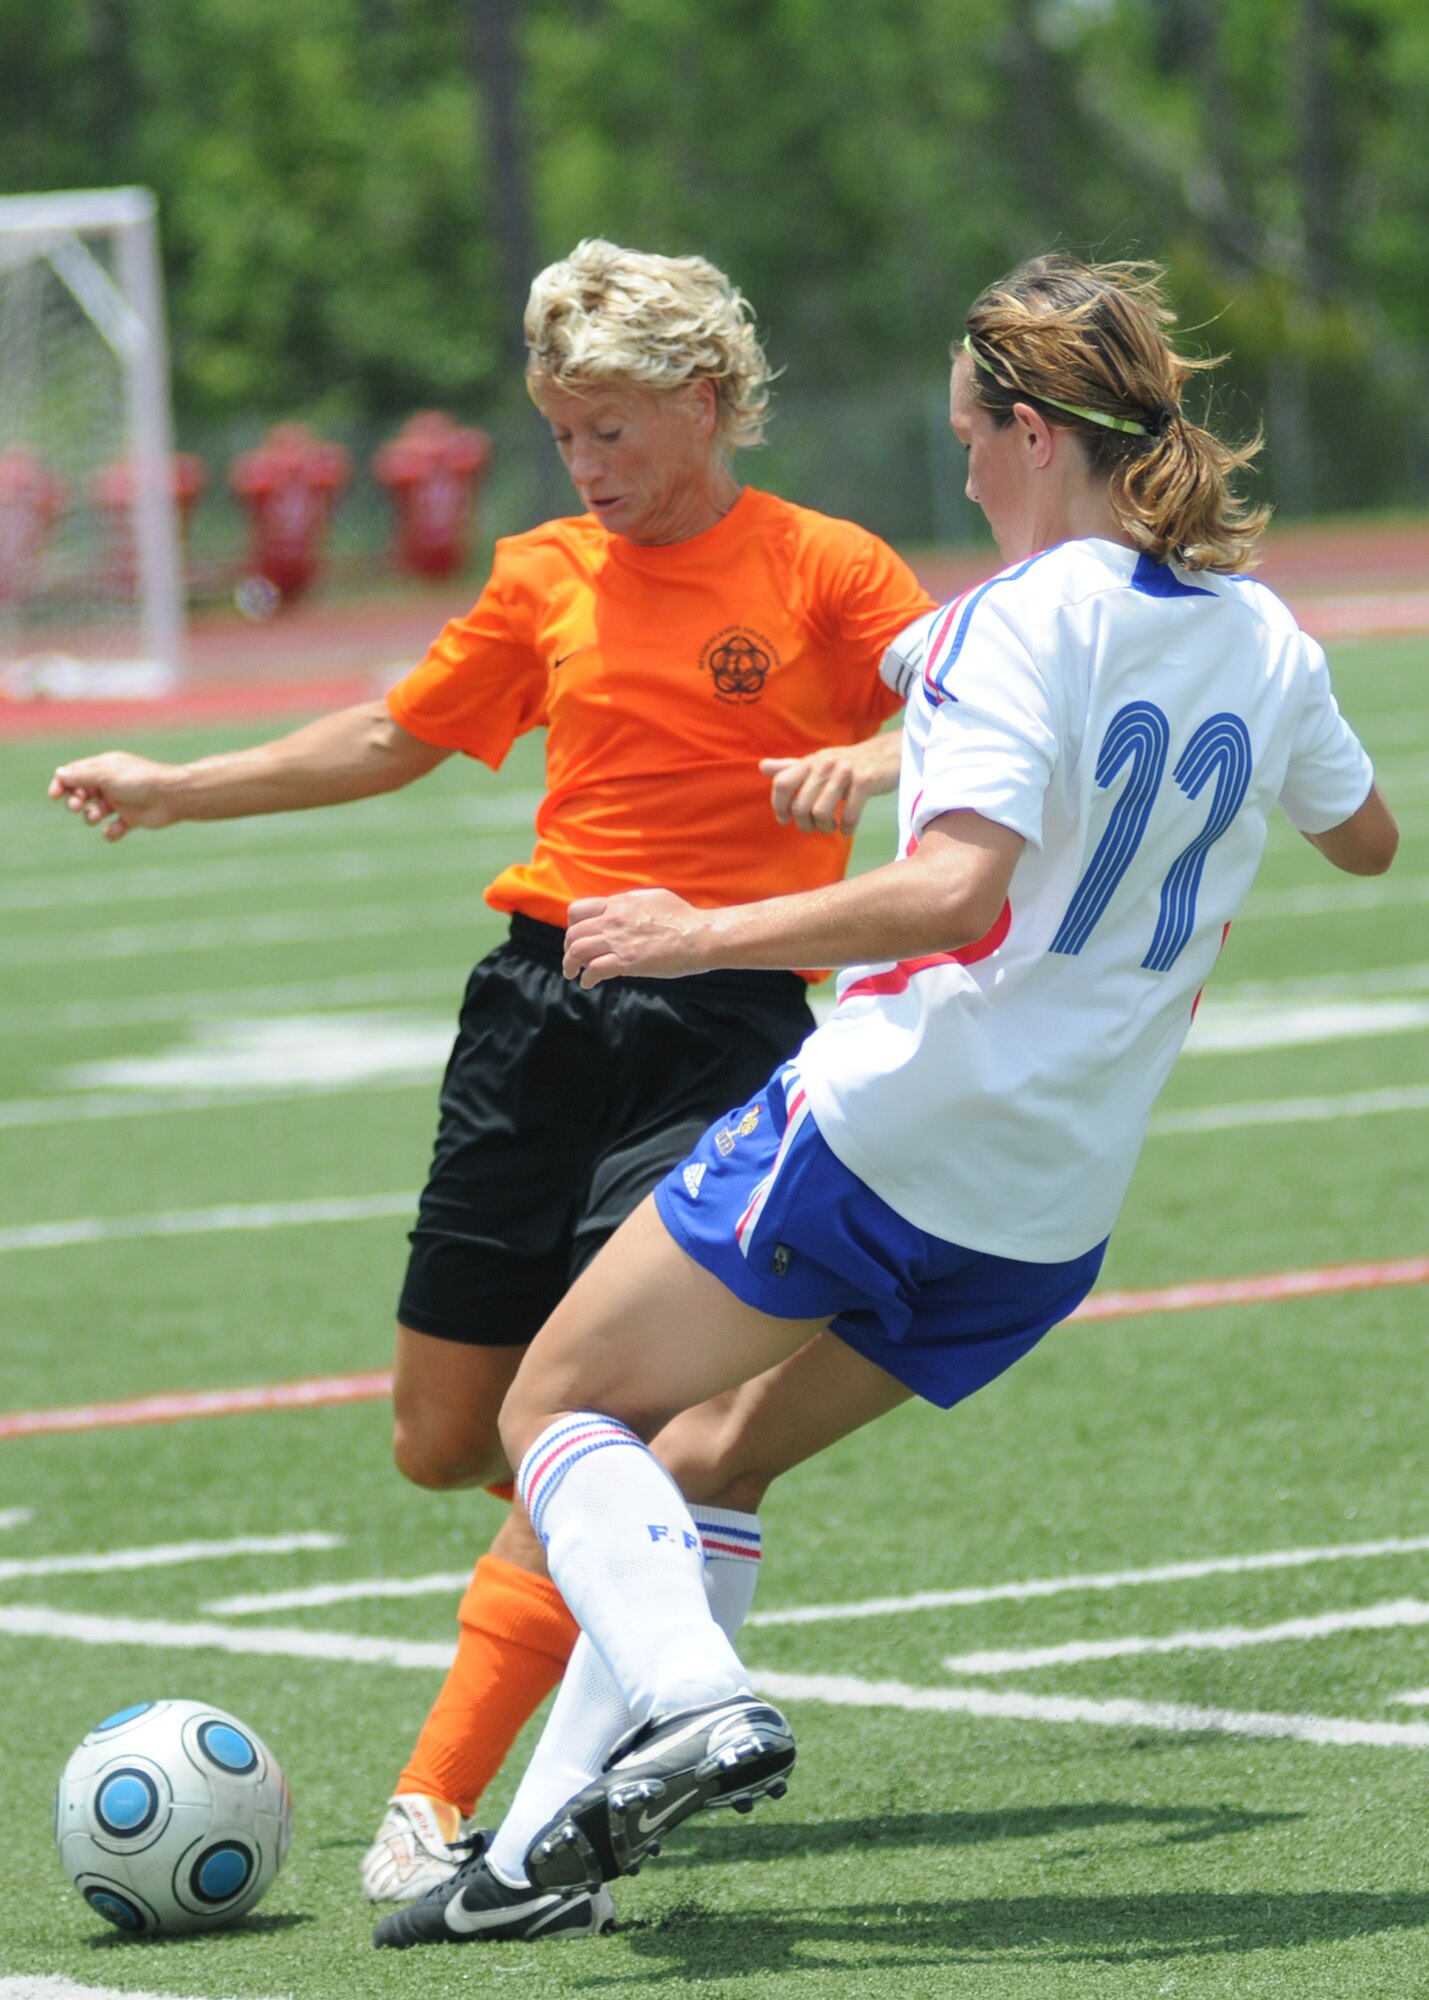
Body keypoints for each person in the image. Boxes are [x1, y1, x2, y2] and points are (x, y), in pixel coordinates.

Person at [370, 252, 1397, 1949]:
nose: (960, 471)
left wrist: (705, 926)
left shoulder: (1018, 615)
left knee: (551, 1406)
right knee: (708, 1455)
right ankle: (543, 1855)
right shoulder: (1263, 636)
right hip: (1053, 1207)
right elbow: (1360, 839)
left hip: (891, 1125)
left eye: (966, 439)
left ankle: (692, 1693)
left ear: (1023, 428)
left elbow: (952, 896)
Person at [46, 239, 935, 1902]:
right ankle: (635, 1572)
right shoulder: (544, 573)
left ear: (704, 404)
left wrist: (869, 755)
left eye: (608, 429)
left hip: (721, 1022)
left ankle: (447, 1803)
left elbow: (969, 707)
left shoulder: (824, 566)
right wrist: (177, 786)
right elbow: (392, 735)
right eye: (562, 433)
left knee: (588, 1411)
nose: (584, 465)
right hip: (534, 1021)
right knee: (447, 1439)